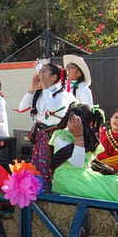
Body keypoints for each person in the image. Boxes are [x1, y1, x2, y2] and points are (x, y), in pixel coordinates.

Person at [50, 103, 118, 237]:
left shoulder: (88, 136)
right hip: (69, 180)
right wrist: (78, 135)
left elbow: (88, 164)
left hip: (84, 176)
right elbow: (77, 163)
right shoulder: (61, 136)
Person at [18, 62, 76, 190]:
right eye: (40, 71)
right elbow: (21, 107)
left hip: (56, 139)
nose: (40, 74)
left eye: (44, 71)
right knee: (38, 167)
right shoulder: (40, 93)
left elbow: (52, 107)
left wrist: (44, 87)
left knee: (52, 167)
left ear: (53, 77)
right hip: (41, 137)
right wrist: (33, 88)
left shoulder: (64, 95)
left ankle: (53, 194)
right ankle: (40, 193)